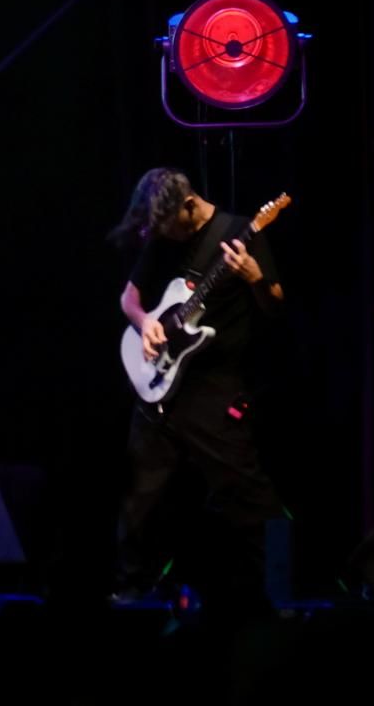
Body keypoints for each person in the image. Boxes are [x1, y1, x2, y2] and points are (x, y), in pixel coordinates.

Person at [109, 167, 286, 613]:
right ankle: (130, 593)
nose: (163, 235)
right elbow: (129, 298)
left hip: (214, 388)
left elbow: (275, 304)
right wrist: (145, 323)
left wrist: (253, 276)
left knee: (246, 494)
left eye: (169, 225)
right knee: (139, 496)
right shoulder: (163, 236)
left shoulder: (240, 231)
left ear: (189, 206)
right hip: (159, 383)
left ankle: (276, 592)